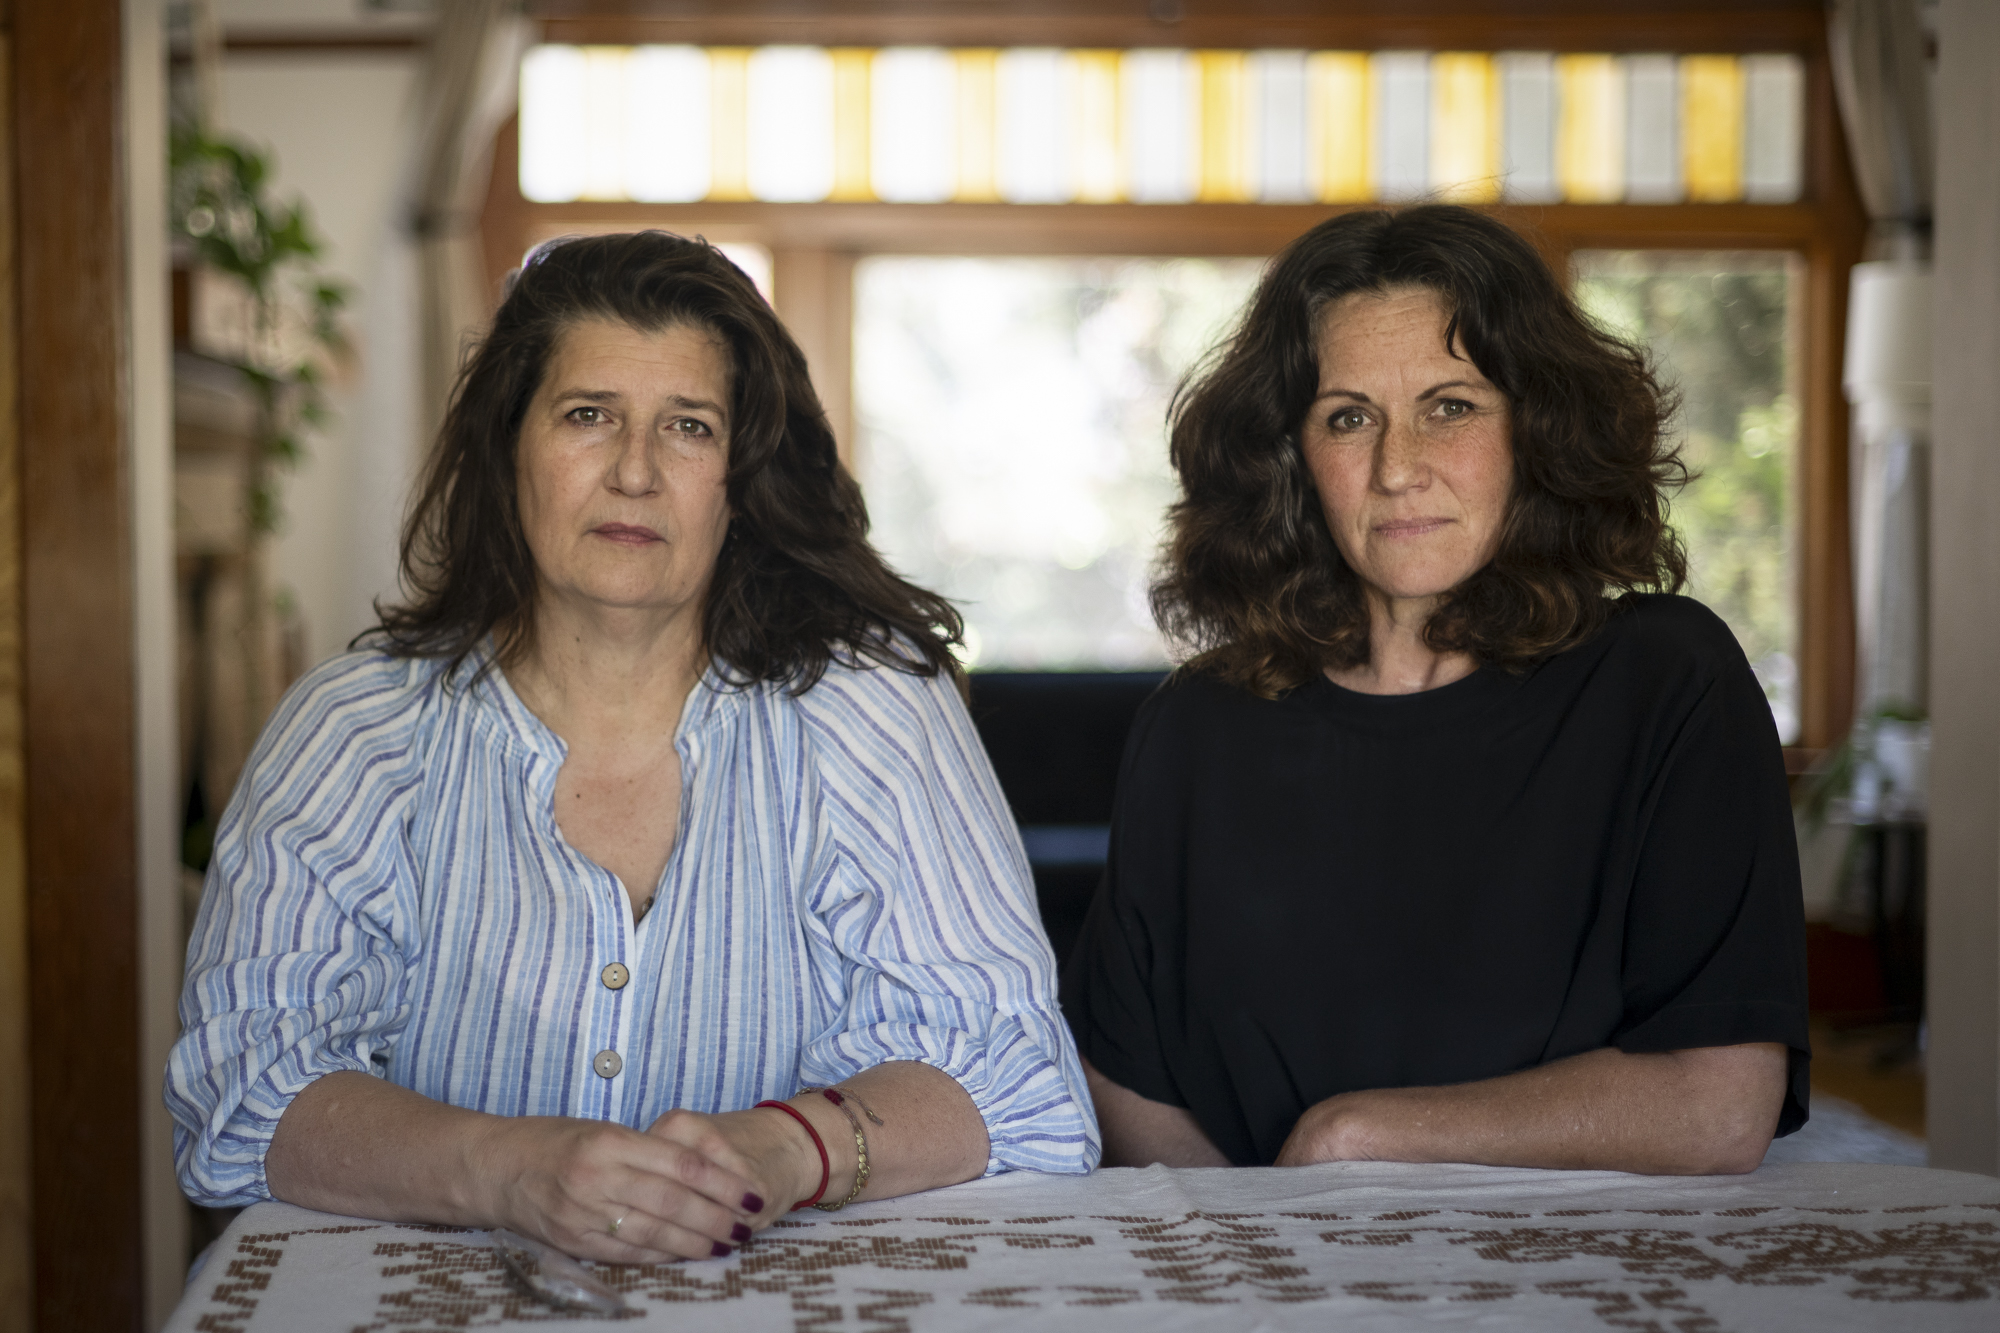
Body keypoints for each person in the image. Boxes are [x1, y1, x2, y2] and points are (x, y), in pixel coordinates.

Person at [168, 231, 1097, 1264]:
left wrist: (784, 1152)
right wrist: (507, 1168)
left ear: (737, 484)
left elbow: (1013, 1077)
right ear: (505, 447)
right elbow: (242, 1092)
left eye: (688, 428)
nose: (636, 471)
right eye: (587, 415)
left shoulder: (871, 712)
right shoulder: (348, 734)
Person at [1062, 205, 1809, 1173]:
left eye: (1449, 405)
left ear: (1533, 430)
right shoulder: (1196, 722)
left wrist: (1359, 1139)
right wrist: (1251, 1260)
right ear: (1289, 457)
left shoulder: (1665, 679)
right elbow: (1118, 1071)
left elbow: (1716, 1105)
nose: (1396, 468)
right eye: (1347, 416)